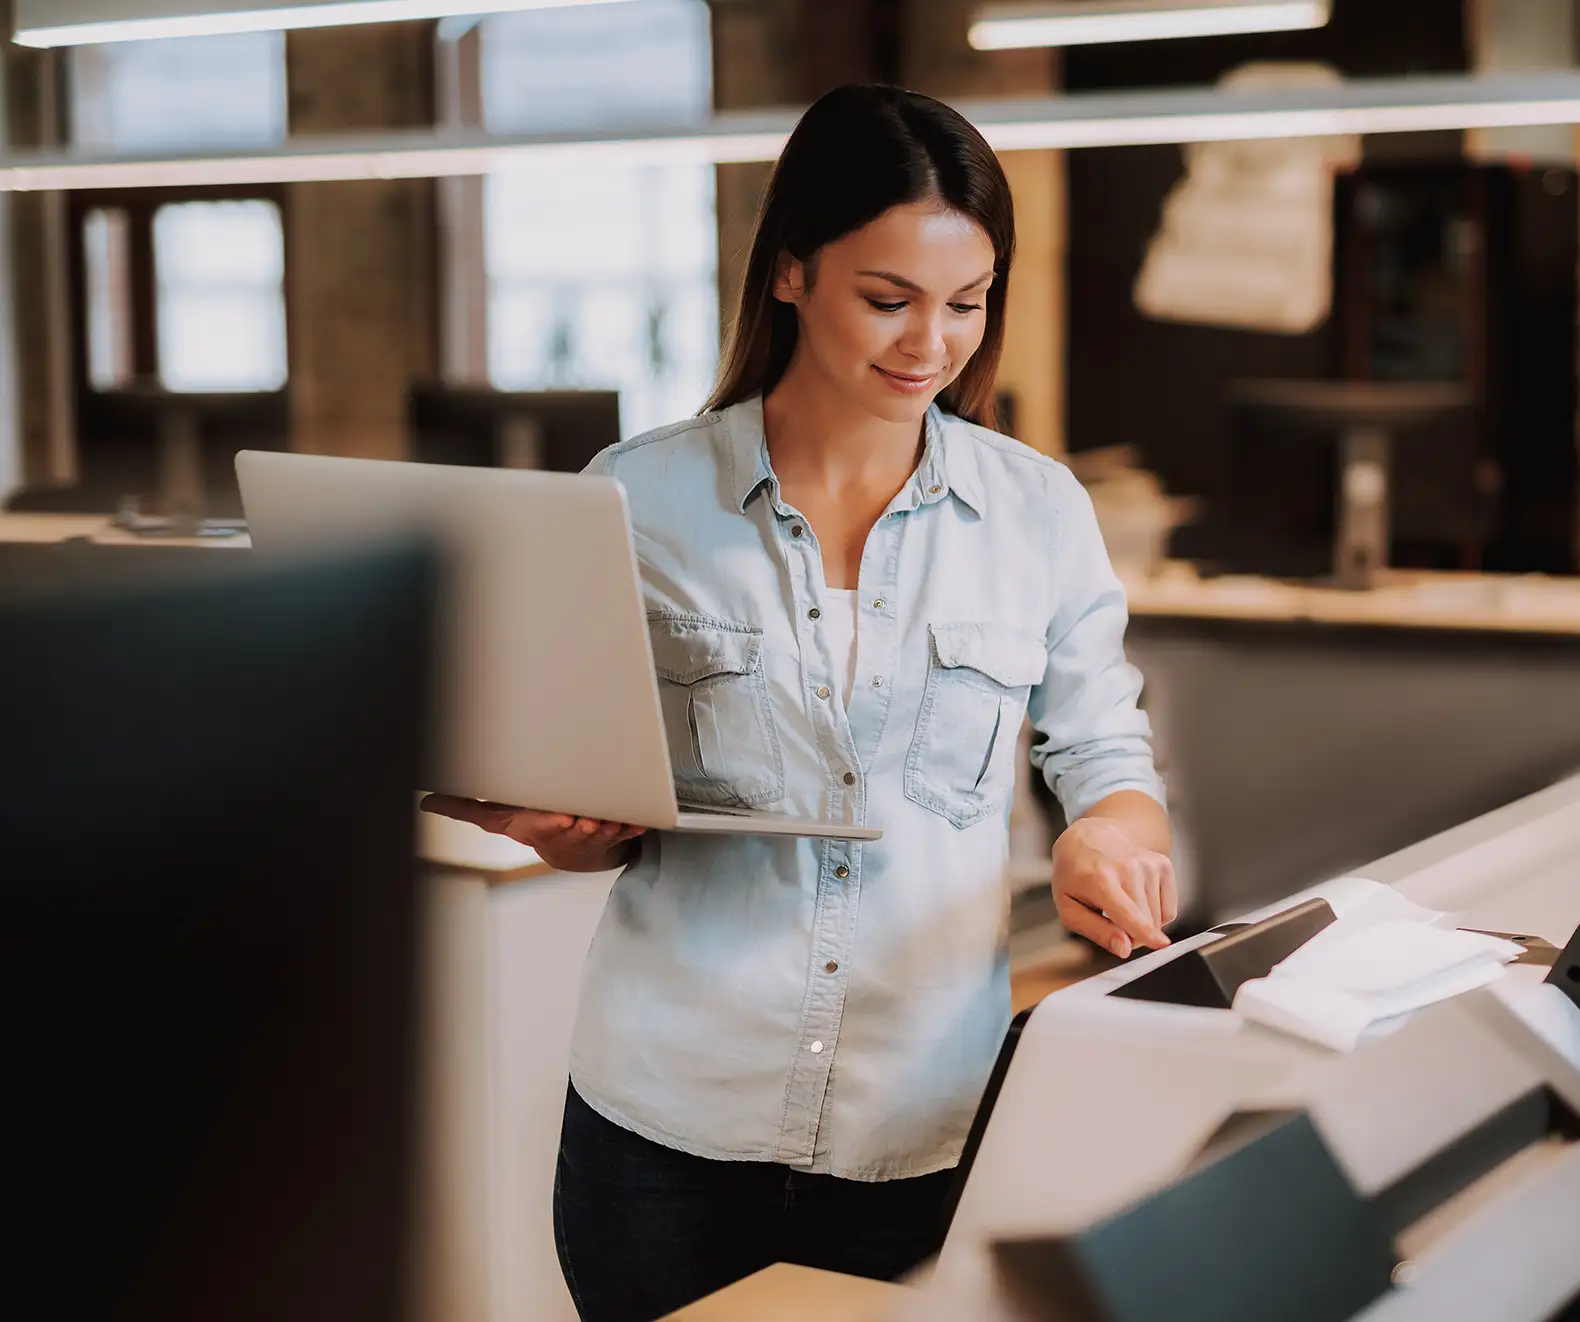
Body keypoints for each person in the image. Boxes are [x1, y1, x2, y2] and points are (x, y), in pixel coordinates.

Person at [423, 85, 1176, 1322]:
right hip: (662, 1131)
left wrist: (1113, 831)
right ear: (789, 274)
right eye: (889, 298)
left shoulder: (1038, 514)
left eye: (966, 304)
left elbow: (1107, 754)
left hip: (919, 1128)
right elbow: (559, 766)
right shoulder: (634, 498)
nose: (932, 344)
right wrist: (555, 829)